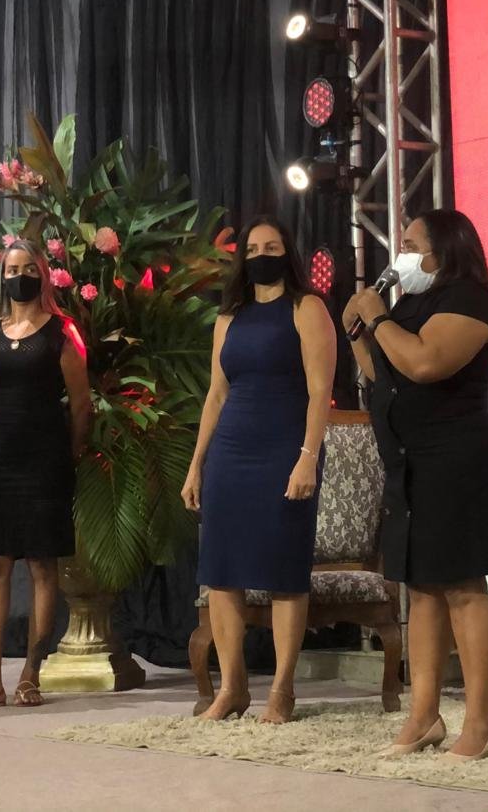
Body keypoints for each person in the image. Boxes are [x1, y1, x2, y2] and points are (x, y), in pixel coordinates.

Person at [343, 208, 488, 761]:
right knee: (420, 589)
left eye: (412, 244)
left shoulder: (470, 299)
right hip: (408, 461)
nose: (403, 253)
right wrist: (358, 334)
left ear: (445, 249)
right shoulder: (409, 305)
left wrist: (378, 319)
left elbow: (424, 364)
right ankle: (424, 717)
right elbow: (385, 378)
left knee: (463, 586)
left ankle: (481, 724)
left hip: (456, 459)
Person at [181, 216, 336, 723]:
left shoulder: (307, 308)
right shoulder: (229, 317)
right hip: (231, 453)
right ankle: (233, 688)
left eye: (271, 247)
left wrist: (307, 457)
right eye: (252, 249)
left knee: (284, 571)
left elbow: (320, 391)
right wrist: (196, 465)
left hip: (285, 450)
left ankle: (282, 691)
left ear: (287, 252)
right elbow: (216, 394)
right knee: (221, 572)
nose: (261, 255)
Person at [0, 239, 93, 710]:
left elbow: (82, 404)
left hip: (45, 460)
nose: (20, 276)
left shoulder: (61, 333)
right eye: (12, 269)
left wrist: (70, 453)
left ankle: (31, 674)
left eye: (29, 268)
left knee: (42, 564)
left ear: (43, 275)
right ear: (1, 277)